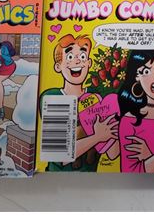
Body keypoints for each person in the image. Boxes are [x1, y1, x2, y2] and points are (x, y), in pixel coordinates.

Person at [40, 34, 119, 171]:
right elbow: (60, 156)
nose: (77, 61)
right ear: (58, 66)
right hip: (56, 176)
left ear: (89, 63)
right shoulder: (53, 96)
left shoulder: (98, 96)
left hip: (94, 177)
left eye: (82, 56)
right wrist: (97, 137)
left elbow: (113, 154)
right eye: (70, 57)